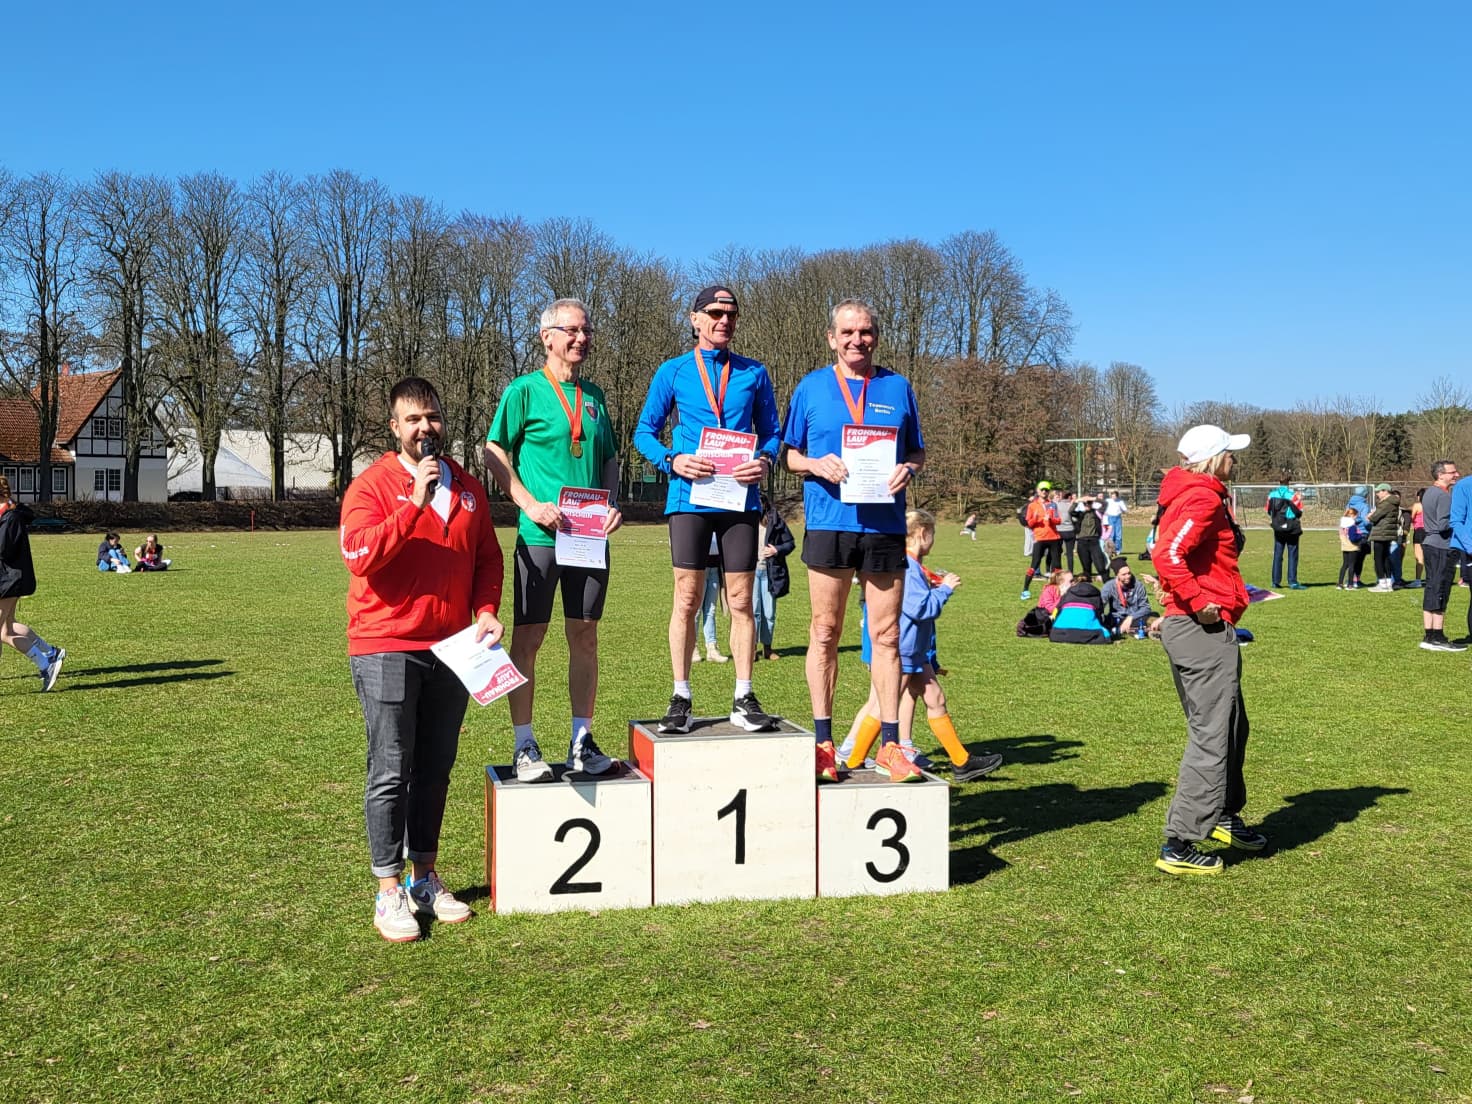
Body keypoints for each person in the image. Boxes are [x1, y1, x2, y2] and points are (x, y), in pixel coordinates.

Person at [341, 377, 505, 942]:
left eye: (431, 416)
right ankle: (388, 890)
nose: (424, 428)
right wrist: (413, 502)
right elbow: (359, 556)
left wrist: (486, 610)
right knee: (391, 767)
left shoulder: (467, 487)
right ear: (394, 428)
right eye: (412, 419)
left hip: (453, 648)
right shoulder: (371, 486)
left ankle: (424, 877)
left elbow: (487, 557)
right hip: (386, 643)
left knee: (435, 768)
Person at [782, 298, 925, 783]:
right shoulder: (811, 386)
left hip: (884, 525)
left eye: (864, 332)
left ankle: (890, 745)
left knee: (887, 636)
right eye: (847, 332)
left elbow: (916, 452)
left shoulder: (898, 387)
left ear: (876, 337)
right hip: (830, 521)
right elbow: (790, 455)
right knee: (825, 631)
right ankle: (824, 743)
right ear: (831, 338)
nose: (856, 340)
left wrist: (908, 469)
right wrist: (814, 464)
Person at [483, 298, 622, 784]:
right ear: (547, 337)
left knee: (585, 636)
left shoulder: (596, 397)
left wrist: (611, 503)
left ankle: (582, 741)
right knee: (530, 639)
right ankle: (524, 744)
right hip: (540, 536)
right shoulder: (523, 391)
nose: (582, 338)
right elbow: (493, 450)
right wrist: (529, 504)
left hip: (589, 538)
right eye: (572, 330)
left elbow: (609, 458)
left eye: (587, 330)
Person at [634, 285, 781, 734]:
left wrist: (765, 460)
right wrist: (672, 460)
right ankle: (681, 696)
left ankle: (743, 696)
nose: (724, 320)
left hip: (739, 499)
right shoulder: (673, 371)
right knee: (687, 599)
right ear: (694, 318)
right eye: (715, 313)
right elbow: (644, 432)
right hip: (689, 498)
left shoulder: (754, 372)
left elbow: (773, 433)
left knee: (741, 600)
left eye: (731, 314)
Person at [1151, 424, 1267, 876]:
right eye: (1230, 453)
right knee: (1212, 735)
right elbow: (1167, 555)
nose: (1235, 460)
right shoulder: (1201, 497)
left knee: (1233, 725)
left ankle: (1222, 814)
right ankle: (1179, 842)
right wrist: (1199, 602)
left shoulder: (1193, 494)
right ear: (1214, 458)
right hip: (1200, 631)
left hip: (1202, 627)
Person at [847, 509, 1001, 781]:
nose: (933, 540)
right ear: (922, 533)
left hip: (915, 652)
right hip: (904, 650)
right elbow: (920, 608)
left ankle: (962, 761)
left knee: (935, 698)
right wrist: (945, 589)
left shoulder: (912, 566)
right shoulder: (907, 566)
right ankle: (854, 759)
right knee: (884, 706)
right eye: (933, 534)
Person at [0, 475, 65, 692]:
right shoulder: (7, 514)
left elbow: (4, 550)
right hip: (7, 579)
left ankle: (47, 662)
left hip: (9, 580)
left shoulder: (11, 517)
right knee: (6, 630)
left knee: (4, 631)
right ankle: (49, 656)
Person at [1419, 460, 1464, 651]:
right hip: (1441, 547)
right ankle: (1437, 636)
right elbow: (1443, 524)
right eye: (1452, 472)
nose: (1457, 475)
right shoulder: (1444, 496)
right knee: (1440, 588)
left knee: (1432, 587)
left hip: (1430, 544)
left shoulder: (1429, 492)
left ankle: (1429, 635)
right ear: (1440, 475)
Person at [754, 491, 795, 661]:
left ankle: (768, 648)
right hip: (751, 573)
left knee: (769, 613)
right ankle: (751, 649)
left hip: (770, 573)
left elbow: (790, 543)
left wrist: (776, 550)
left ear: (765, 504)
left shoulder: (775, 521)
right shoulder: (745, 521)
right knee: (754, 612)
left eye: (761, 503)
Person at [1020, 480, 1061, 599]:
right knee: (1034, 565)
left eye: (1046, 490)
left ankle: (1057, 591)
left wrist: (1051, 519)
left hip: (1054, 538)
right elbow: (1028, 523)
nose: (1044, 491)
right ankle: (1025, 590)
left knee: (1057, 567)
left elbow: (1059, 520)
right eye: (1042, 489)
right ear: (1038, 491)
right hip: (1040, 538)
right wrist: (1036, 519)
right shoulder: (1032, 506)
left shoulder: (1053, 505)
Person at [1100, 558, 1159, 637]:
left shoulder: (1138, 585)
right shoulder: (1109, 586)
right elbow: (1100, 605)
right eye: (1123, 574)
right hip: (1117, 618)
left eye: (1129, 573)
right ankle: (1143, 630)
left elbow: (1146, 607)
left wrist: (1131, 617)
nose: (1127, 576)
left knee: (1154, 615)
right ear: (1117, 575)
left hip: (1136, 617)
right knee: (1105, 620)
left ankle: (1130, 629)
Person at [1265, 478, 1305, 590]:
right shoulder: (1292, 496)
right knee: (1292, 554)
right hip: (1291, 528)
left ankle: (1275, 581)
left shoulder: (1271, 495)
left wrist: (1277, 519)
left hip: (1278, 528)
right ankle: (1292, 581)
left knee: (1278, 554)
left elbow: (1268, 510)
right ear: (1288, 484)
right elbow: (1299, 512)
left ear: (1279, 483)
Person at [1048, 577, 1113, 644]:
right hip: (1090, 633)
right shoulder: (1096, 595)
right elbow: (1099, 616)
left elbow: (1057, 613)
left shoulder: (1067, 595)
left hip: (1059, 633)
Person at [1367, 483, 1402, 592]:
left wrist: (1370, 515)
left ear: (1385, 491)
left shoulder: (1386, 503)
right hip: (1388, 532)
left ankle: (1382, 584)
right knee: (1385, 557)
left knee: (1378, 558)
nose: (1377, 494)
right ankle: (1388, 583)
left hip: (1381, 532)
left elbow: (1374, 517)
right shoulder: (1393, 502)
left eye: (1378, 492)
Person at [1071, 492, 1112, 582]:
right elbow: (1070, 511)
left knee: (1100, 566)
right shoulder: (1079, 514)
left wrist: (1092, 498)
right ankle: (1087, 586)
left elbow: (1105, 503)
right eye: (1085, 503)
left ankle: (1107, 583)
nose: (1087, 505)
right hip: (1082, 541)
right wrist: (1078, 501)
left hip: (1094, 541)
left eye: (1089, 503)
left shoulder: (1097, 512)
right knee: (1086, 568)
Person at [1336, 507, 1362, 590]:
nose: (1356, 518)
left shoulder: (1342, 525)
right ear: (1352, 515)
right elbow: (1353, 538)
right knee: (1352, 565)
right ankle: (1350, 584)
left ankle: (1340, 583)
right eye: (1356, 516)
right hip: (1352, 547)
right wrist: (1360, 536)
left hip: (1344, 546)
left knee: (1345, 565)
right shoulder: (1352, 526)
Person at [1055, 490, 1078, 573]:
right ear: (1069, 497)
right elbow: (1075, 518)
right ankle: (1070, 572)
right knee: (1069, 553)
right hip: (1070, 530)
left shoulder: (1056, 505)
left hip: (1059, 530)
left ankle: (1058, 571)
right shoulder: (1071, 506)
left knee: (1057, 552)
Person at [1410, 488, 1426, 587]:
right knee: (1430, 556)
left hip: (1419, 531)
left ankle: (1418, 581)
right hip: (1430, 531)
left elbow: (1411, 518)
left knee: (1419, 557)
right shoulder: (1431, 505)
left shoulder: (1417, 505)